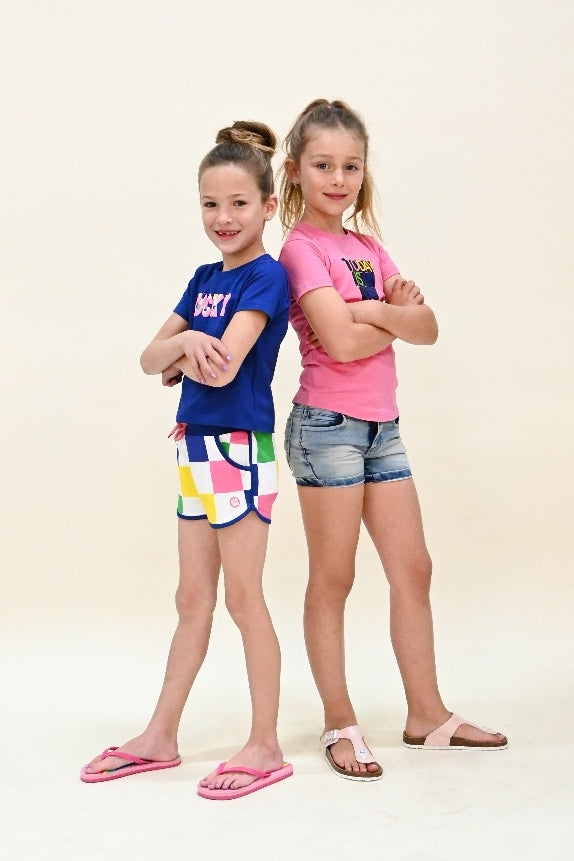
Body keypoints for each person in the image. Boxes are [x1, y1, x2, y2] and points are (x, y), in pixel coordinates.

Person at [278, 99, 507, 781]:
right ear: (295, 170)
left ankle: (426, 715)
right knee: (335, 577)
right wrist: (390, 315)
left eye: (351, 166)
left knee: (414, 568)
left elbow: (428, 328)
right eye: (323, 165)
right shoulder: (300, 249)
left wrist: (369, 310)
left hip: (384, 428)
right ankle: (339, 722)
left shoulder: (369, 249)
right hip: (327, 429)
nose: (338, 178)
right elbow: (341, 343)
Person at [81, 121, 293, 800]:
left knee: (243, 596)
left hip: (240, 449)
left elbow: (225, 365)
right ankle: (160, 735)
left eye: (238, 203)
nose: (223, 217)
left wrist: (192, 351)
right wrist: (185, 345)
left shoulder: (267, 276)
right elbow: (150, 358)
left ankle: (265, 742)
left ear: (267, 205)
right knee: (191, 597)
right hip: (194, 446)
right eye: (210, 204)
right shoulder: (202, 279)